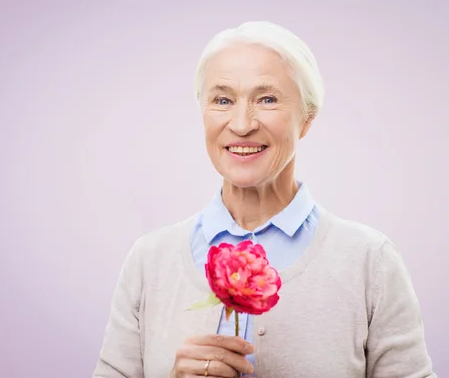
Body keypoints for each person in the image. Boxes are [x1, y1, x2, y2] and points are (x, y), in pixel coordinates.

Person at [92, 21, 436, 377]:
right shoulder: (149, 262)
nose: (241, 124)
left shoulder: (370, 262)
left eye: (267, 99)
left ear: (306, 119)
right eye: (222, 100)